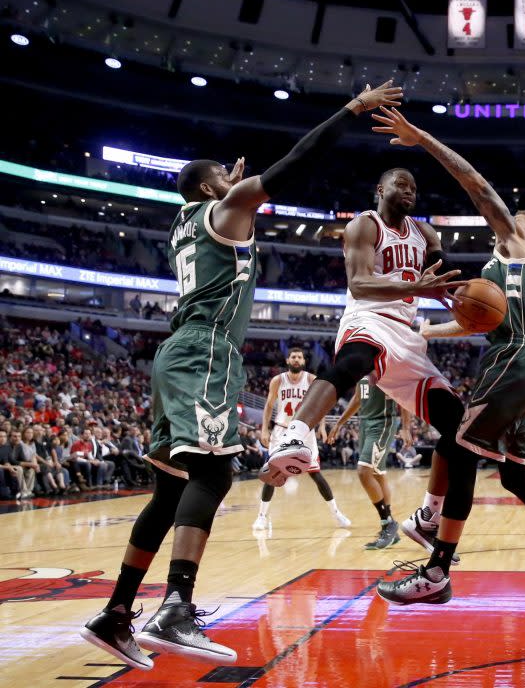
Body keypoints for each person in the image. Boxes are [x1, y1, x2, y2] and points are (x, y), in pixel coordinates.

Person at [80, 79, 403, 670]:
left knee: (172, 489)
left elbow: (220, 202)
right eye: (227, 181)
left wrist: (224, 188)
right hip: (206, 352)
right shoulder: (224, 208)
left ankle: (116, 613)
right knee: (215, 474)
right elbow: (295, 162)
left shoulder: (189, 219)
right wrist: (351, 109)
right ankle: (176, 607)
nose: (239, 184)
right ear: (211, 189)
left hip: (177, 352)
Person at [369, 107, 525, 621]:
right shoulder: (500, 272)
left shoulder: (518, 247)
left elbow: (477, 185)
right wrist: (428, 325)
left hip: (515, 362)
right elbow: (478, 320)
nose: (503, 217)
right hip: (523, 365)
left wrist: (422, 139)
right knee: (515, 477)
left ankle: (436, 567)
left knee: (457, 446)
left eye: (514, 218)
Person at [260, 162, 470, 564]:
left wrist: (470, 297)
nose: (410, 191)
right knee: (356, 359)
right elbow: (359, 283)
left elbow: (444, 277)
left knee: (458, 428)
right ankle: (296, 435)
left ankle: (426, 516)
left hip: (408, 335)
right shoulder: (364, 225)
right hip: (368, 317)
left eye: (414, 186)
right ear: (380, 188)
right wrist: (415, 285)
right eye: (401, 184)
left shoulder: (426, 232)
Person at [253, 348, 351, 530]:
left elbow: (320, 405)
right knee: (272, 473)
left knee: (315, 473)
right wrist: (264, 429)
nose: (296, 360)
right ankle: (261, 516)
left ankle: (336, 513)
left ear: (304, 361)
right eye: (293, 357)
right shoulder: (278, 380)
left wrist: (321, 427)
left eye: (299, 357)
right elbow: (268, 405)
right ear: (287, 359)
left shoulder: (312, 379)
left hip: (305, 432)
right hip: (282, 431)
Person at [328, 376, 412, 550]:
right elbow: (358, 398)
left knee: (363, 471)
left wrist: (405, 428)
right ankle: (388, 529)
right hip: (365, 423)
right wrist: (339, 423)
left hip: (382, 423)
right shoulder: (361, 370)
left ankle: (387, 523)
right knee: (377, 474)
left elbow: (403, 398)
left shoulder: (387, 367)